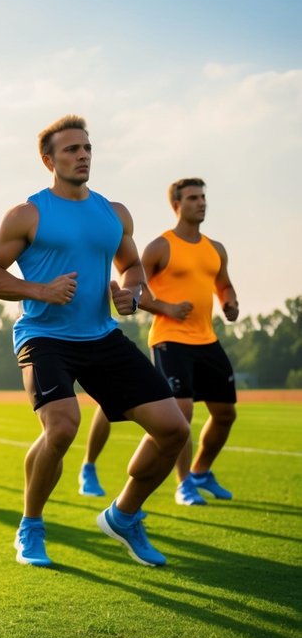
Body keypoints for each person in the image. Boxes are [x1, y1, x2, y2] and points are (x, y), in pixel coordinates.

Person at [0, 114, 190, 568]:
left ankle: (124, 515)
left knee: (174, 430)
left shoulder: (113, 213)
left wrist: (129, 293)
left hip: (102, 336)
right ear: (48, 159)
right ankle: (31, 525)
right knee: (63, 426)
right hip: (43, 335)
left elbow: (132, 266)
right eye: (71, 150)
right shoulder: (28, 213)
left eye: (87, 148)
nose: (82, 156)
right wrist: (39, 290)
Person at [78, 178, 239, 506]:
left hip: (207, 338)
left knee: (225, 414)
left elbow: (224, 284)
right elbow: (136, 286)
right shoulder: (160, 247)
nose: (202, 203)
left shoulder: (215, 249)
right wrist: (166, 307)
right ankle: (183, 486)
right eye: (194, 198)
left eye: (203, 197)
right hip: (170, 339)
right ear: (177, 205)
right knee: (180, 412)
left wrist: (229, 302)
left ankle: (200, 472)